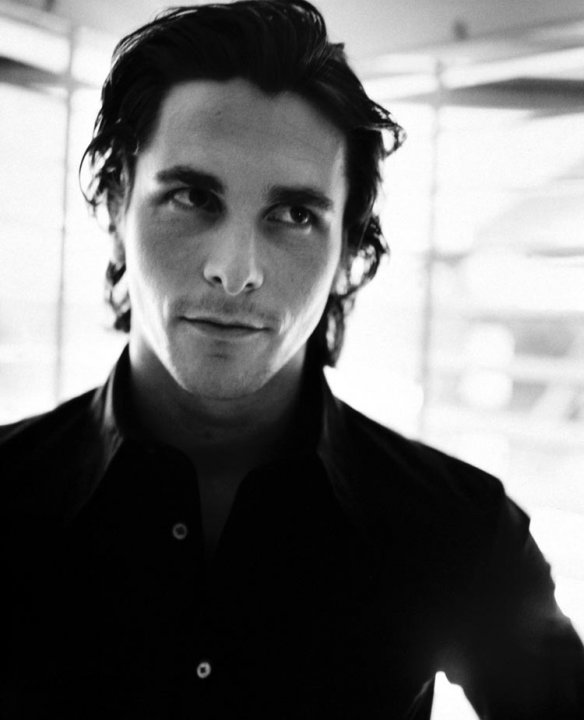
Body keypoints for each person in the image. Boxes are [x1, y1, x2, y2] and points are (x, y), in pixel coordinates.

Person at [1, 1, 583, 718]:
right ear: (119, 203)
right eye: (191, 196)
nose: (235, 271)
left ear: (348, 249)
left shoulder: (460, 528)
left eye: (295, 216)